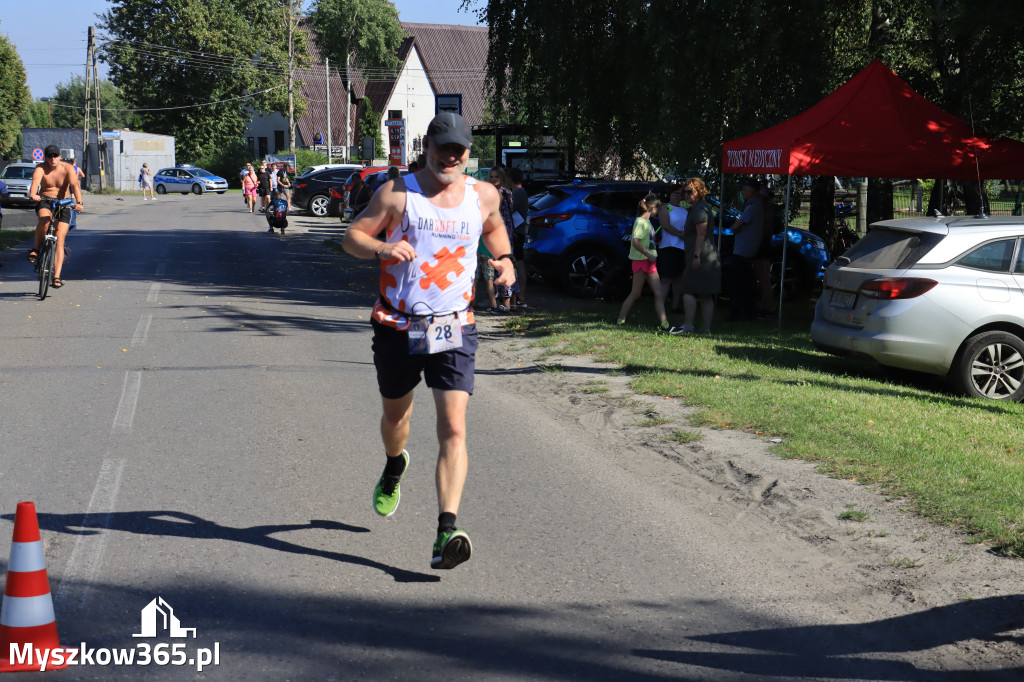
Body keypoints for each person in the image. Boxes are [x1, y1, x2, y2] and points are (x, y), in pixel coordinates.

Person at [341, 112, 514, 570]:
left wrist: (506, 260)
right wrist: (380, 248)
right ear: (428, 148)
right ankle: (394, 464)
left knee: (454, 426)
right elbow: (352, 236)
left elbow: (495, 229)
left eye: (459, 150)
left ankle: (446, 532)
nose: (452, 158)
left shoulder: (483, 195)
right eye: (444, 150)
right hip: (399, 325)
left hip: (455, 326)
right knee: (396, 417)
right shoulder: (398, 194)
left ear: (468, 152)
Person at [616, 194, 681, 333]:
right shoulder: (640, 222)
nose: (658, 212)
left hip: (650, 263)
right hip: (641, 262)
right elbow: (635, 242)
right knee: (636, 293)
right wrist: (648, 255)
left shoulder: (648, 222)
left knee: (659, 293)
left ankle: (665, 325)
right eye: (658, 209)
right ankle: (620, 320)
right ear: (652, 207)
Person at [27, 145, 83, 289]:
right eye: (49, 156)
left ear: (60, 156)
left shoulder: (68, 168)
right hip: (45, 201)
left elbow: (74, 185)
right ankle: (36, 249)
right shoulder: (41, 168)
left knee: (60, 239)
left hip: (63, 203)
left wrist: (79, 202)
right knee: (44, 221)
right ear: (45, 157)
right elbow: (35, 183)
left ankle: (56, 276)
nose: (53, 159)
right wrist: (34, 194)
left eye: (55, 156)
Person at [679, 177, 721, 333]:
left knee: (689, 289)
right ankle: (705, 328)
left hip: (702, 255)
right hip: (703, 254)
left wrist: (697, 257)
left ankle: (689, 326)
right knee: (705, 292)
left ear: (699, 191)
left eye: (690, 191)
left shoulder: (700, 209)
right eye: (685, 192)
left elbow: (701, 234)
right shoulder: (697, 208)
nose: (686, 194)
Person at [726, 178, 764, 321]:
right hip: (746, 250)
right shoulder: (754, 205)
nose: (742, 192)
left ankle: (737, 313)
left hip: (743, 251)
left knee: (737, 282)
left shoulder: (753, 206)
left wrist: (736, 226)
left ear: (752, 191)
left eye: (744, 189)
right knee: (746, 282)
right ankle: (748, 312)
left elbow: (736, 226)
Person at [487, 166, 520, 313]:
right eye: (492, 177)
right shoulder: (508, 192)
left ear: (502, 178)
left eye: (496, 177)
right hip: (507, 231)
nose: (494, 179)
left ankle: (505, 305)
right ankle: (512, 303)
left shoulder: (499, 192)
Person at [656, 185, 687, 313]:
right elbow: (666, 225)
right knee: (666, 278)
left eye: (680, 194)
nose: (677, 196)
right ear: (669, 194)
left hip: (682, 247)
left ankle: (675, 305)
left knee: (678, 278)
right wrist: (680, 234)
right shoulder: (665, 207)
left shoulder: (685, 210)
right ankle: (660, 307)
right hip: (668, 246)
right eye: (675, 193)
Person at [753, 185, 778, 319]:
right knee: (763, 279)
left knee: (764, 279)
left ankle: (768, 309)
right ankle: (766, 307)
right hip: (764, 244)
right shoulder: (766, 209)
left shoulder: (764, 210)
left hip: (762, 245)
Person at [508, 167, 530, 308]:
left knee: (518, 262)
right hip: (517, 231)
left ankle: (520, 295)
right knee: (518, 261)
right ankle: (518, 295)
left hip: (516, 232)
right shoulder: (520, 193)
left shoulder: (519, 193)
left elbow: (509, 209)